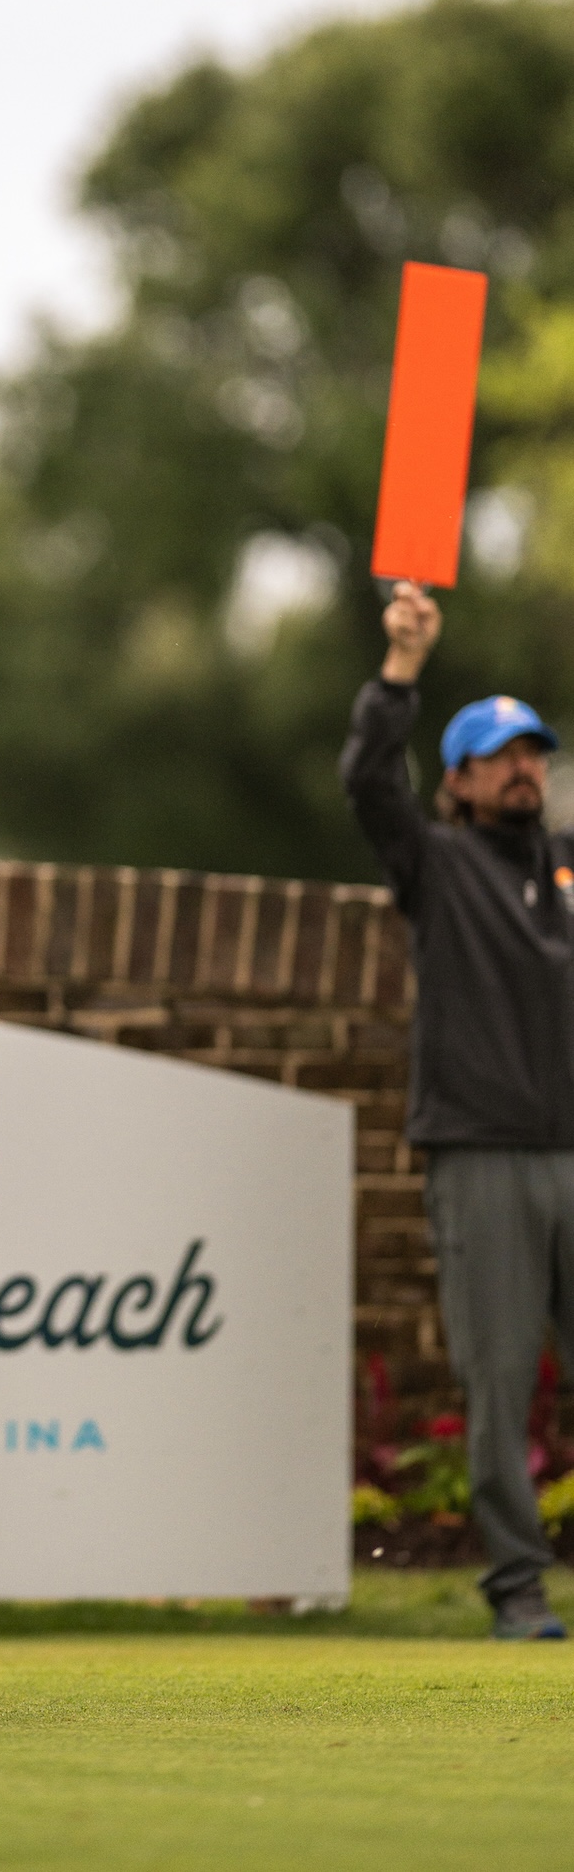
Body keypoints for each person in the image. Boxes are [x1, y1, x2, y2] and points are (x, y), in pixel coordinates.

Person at [342, 578, 574, 1640]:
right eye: (500, 755)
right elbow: (367, 780)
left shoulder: (565, 874)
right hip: (481, 1158)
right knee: (499, 1380)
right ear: (462, 782)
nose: (524, 767)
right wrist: (402, 668)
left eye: (534, 752)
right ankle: (519, 1588)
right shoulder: (435, 865)